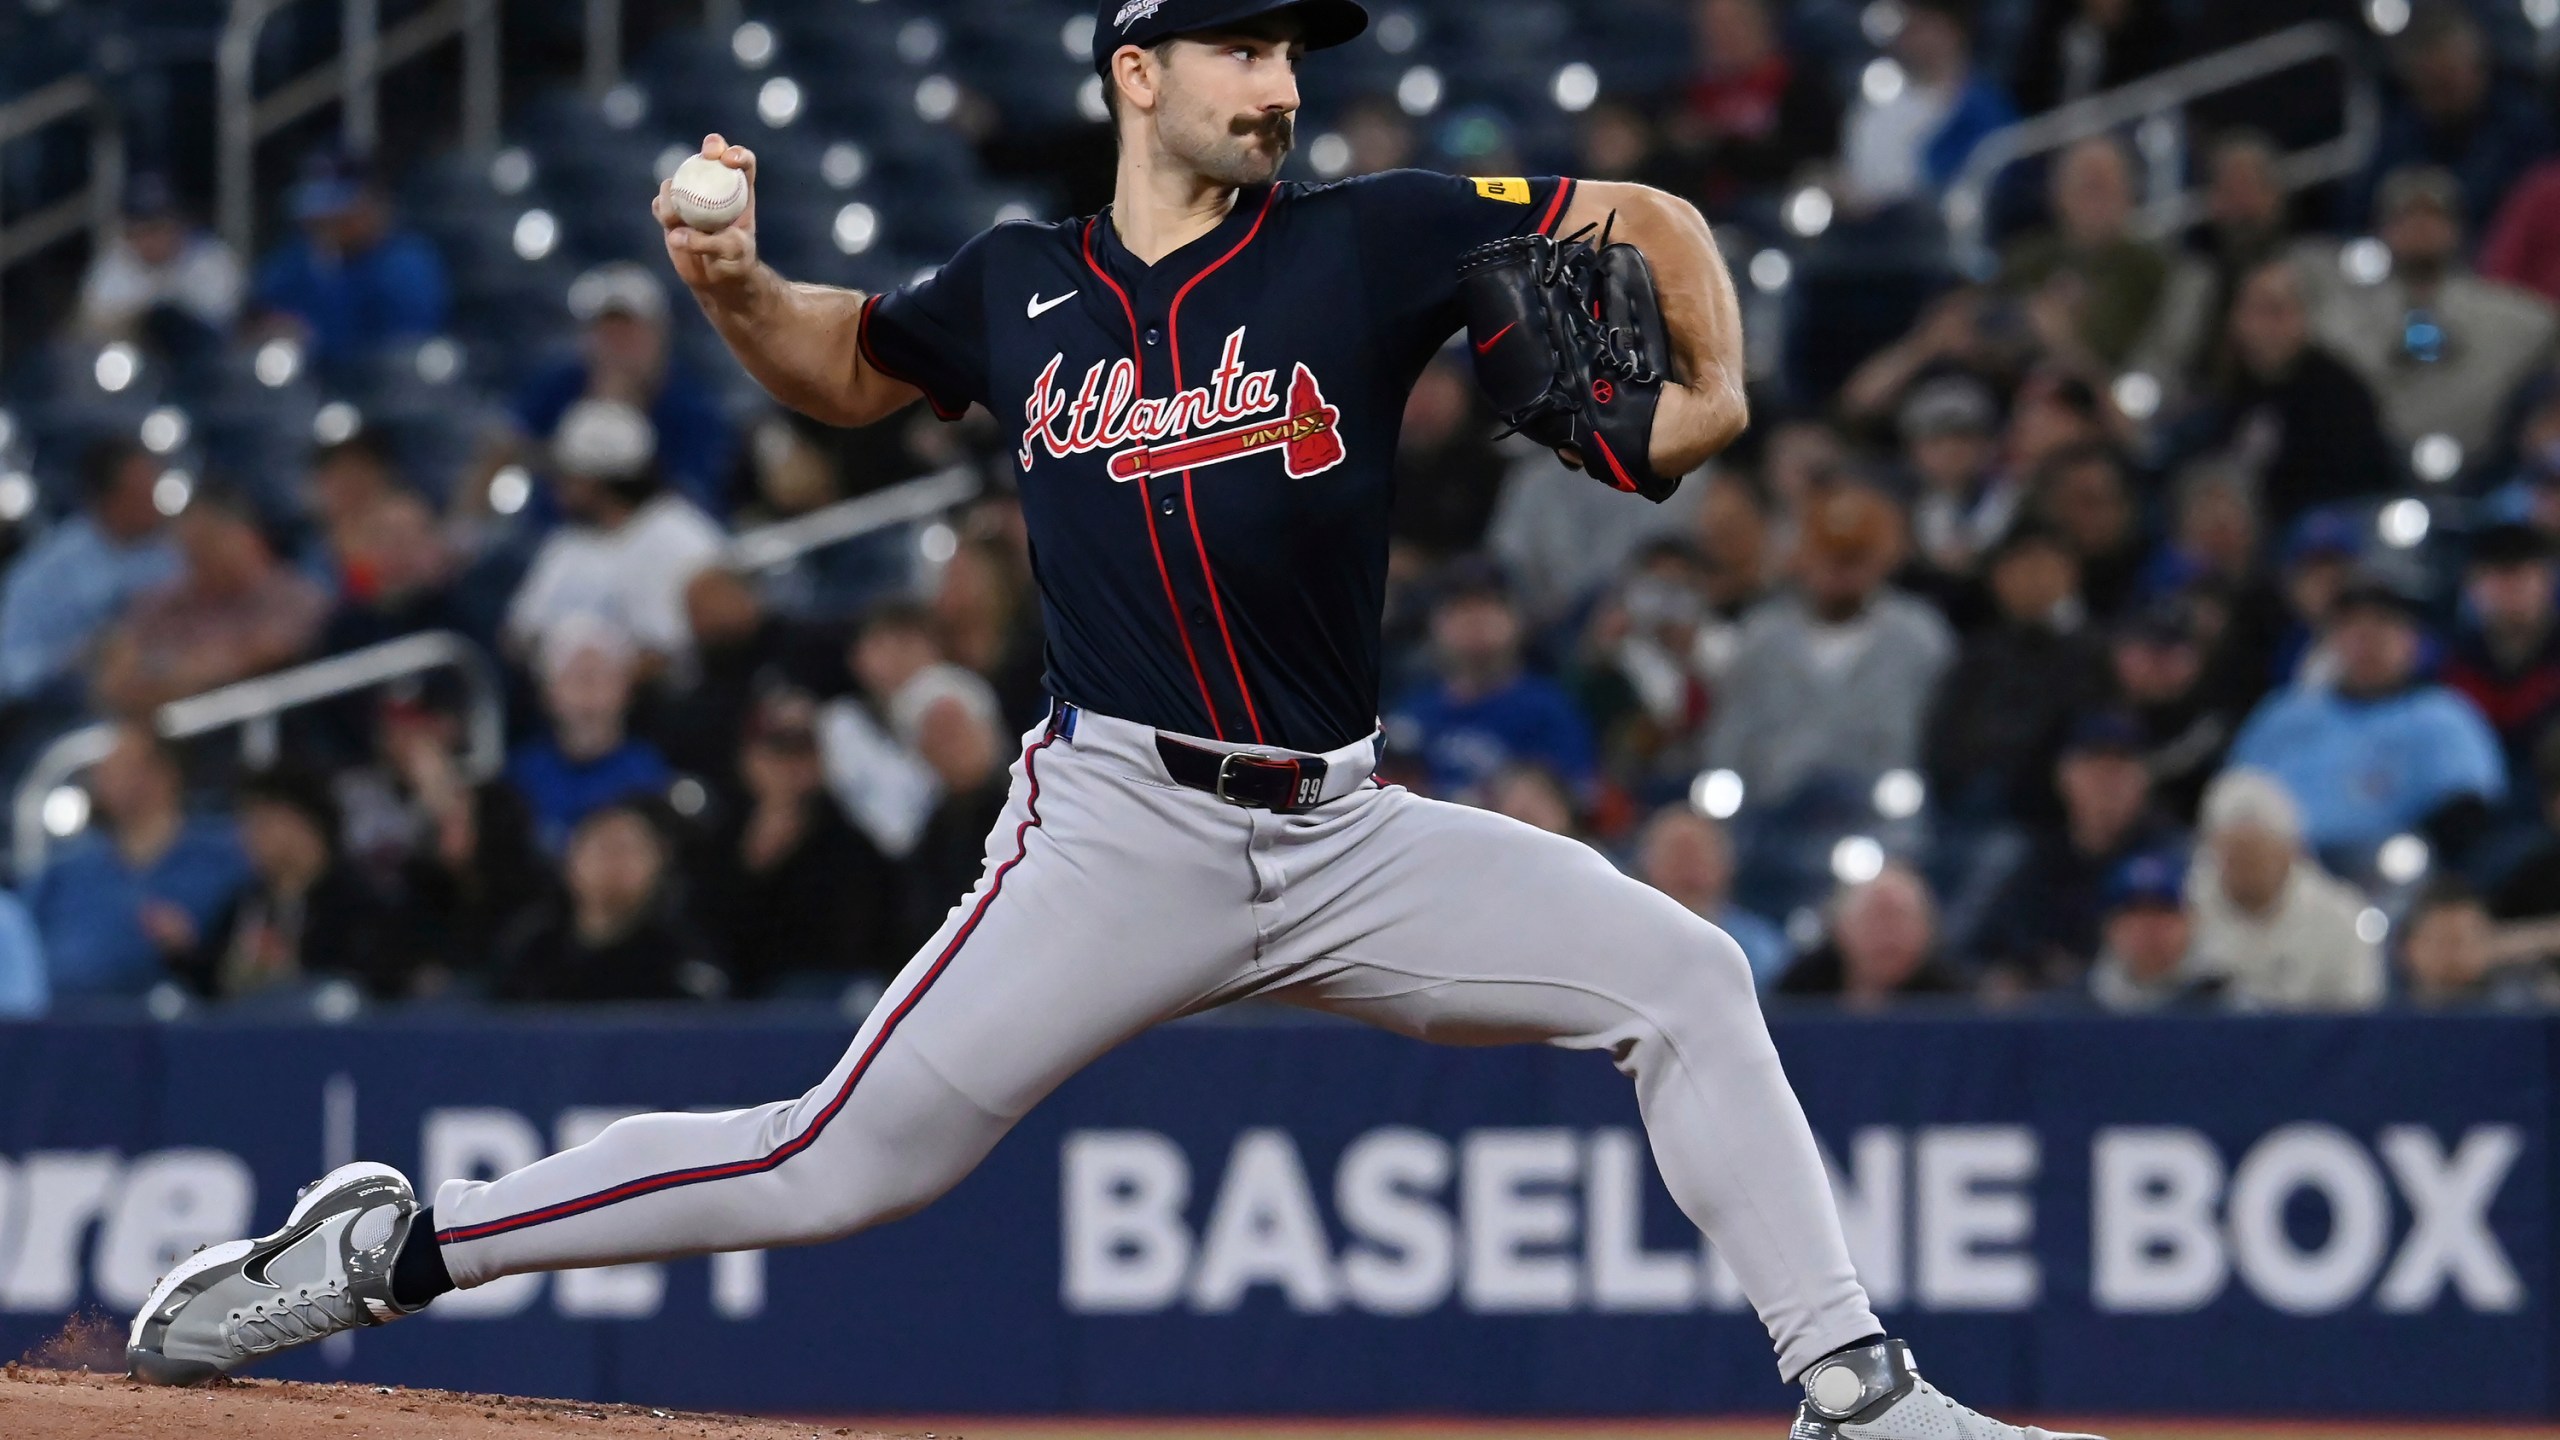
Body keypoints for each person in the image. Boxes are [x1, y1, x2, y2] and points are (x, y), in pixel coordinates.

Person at [130, 9, 2095, 1438]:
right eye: (1238, 45)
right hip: (1114, 836)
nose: (1279, 76)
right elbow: (843, 366)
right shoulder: (1019, 287)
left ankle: (1851, 1390)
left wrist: (1716, 387)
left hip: (1343, 834)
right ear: (1132, 74)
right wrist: (731, 286)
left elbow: (1643, 211)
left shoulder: (1375, 235)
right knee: (834, 1163)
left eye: (1292, 49)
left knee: (1682, 974)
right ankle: (397, 1251)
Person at [2228, 569, 2506, 861]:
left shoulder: (2443, 716)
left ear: (2411, 640)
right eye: (2352, 627)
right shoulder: (2283, 715)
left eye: (2383, 624)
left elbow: (2467, 813)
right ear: (2331, 640)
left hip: (2394, 881)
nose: (2368, 641)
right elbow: (2231, 801)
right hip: (2282, 880)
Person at [1707, 483, 1955, 804]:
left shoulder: (1920, 636)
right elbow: (1730, 736)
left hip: (1880, 813)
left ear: (1883, 559)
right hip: (1774, 810)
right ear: (1803, 557)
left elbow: (1943, 739)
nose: (1840, 571)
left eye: (1854, 558)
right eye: (1828, 556)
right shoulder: (1762, 636)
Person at [2317, 166, 2558, 465]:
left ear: (2458, 228)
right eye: (2406, 216)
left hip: (2484, 467)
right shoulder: (2337, 321)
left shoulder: (2518, 317)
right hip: (2372, 467)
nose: (2421, 227)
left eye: (2433, 215)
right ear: (2383, 229)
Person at [702, 691, 904, 997]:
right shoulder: (719, 835)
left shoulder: (851, 838)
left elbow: (874, 932)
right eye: (780, 751)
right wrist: (754, 866)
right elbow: (713, 938)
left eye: (805, 751)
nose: (794, 766)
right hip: (749, 1001)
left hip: (839, 994)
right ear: (749, 759)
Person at [503, 399, 728, 670]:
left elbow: (681, 652)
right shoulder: (568, 541)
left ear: (600, 481)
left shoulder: (682, 535)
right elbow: (518, 634)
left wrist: (602, 674)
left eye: (569, 475)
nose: (558, 486)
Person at [28, 726, 249, 999]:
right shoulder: (69, 867)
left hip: (175, 1022)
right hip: (59, 1023)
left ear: (163, 774)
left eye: (120, 767)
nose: (102, 776)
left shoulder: (224, 855)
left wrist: (190, 948)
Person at [505, 262, 735, 515]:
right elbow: (510, 446)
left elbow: (691, 495)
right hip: (561, 535)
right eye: (606, 333)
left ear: (658, 334)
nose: (616, 346)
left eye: (627, 333)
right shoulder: (561, 384)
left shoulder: (691, 407)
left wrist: (626, 409)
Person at [1978, 709, 2183, 988]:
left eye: (2120, 769)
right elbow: (1984, 947)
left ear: (2143, 779)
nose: (2107, 784)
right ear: (2065, 776)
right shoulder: (2039, 861)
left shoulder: (2175, 858)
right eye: (2095, 769)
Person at [88, 482, 328, 717]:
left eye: (208, 543)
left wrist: (181, 675)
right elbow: (117, 679)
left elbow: (268, 652)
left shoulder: (290, 595)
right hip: (175, 738)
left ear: (247, 536)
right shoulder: (166, 604)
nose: (199, 560)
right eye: (189, 550)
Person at [2193, 258, 2394, 531]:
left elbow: (2351, 484)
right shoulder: (2222, 385)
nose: (2267, 325)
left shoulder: (2339, 392)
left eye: (2278, 310)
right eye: (2257, 311)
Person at [1924, 523, 2108, 820]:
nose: (2030, 580)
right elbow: (1943, 739)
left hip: (2051, 819)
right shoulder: (1978, 654)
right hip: (1964, 809)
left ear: (2071, 572)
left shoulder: (2097, 654)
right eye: (2016, 568)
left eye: (2041, 566)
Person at [1387, 561, 1598, 802]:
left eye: (1489, 605)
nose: (1475, 619)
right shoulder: (1412, 710)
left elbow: (1580, 799)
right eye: (1459, 607)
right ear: (1435, 623)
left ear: (1517, 619)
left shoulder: (1549, 710)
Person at [193, 766, 407, 1001]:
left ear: (303, 824)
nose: (248, 835)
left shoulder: (359, 907)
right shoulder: (244, 905)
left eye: (262, 822)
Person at [0, 439, 182, 708]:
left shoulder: (180, 551)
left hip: (175, 693)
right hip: (71, 714)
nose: (154, 504)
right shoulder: (43, 574)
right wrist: (73, 660)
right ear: (108, 499)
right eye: (141, 493)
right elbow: (11, 669)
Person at [2184, 768, 2384, 1010]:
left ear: (2290, 853)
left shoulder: (2340, 916)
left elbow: (2359, 1010)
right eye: (2234, 855)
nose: (2246, 867)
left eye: (2257, 854)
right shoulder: (2180, 909)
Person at [488, 800, 724, 1004]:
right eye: (603, 847)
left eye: (630, 848)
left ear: (658, 866)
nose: (615, 861)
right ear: (570, 862)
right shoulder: (533, 948)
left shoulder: (682, 955)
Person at [2352, 3, 2552, 235]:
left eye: (2451, 78)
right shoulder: (2397, 140)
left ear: (2479, 65)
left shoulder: (2524, 128)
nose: (2444, 91)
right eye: (2433, 85)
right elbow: (2356, 219)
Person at [251, 148, 450, 369]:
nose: (325, 222)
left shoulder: (406, 264)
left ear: (370, 204)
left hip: (383, 386)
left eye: (337, 211)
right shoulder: (299, 258)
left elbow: (402, 346)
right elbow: (260, 312)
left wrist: (313, 340)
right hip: (308, 391)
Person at [507, 617, 676, 854]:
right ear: (548, 693)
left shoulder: (648, 770)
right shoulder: (523, 773)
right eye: (577, 677)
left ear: (626, 690)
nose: (589, 693)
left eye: (602, 676)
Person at [1834, 0, 2018, 214]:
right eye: (1909, 26)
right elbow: (1852, 168)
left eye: (1922, 26)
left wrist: (1886, 204)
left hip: (1932, 234)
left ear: (1952, 30)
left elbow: (1981, 188)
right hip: (1858, 231)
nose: (1911, 38)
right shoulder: (1879, 94)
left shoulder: (1985, 109)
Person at [1999, 136, 2169, 368]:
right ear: (2059, 194)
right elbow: (1989, 320)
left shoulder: (2149, 270)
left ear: (2129, 195)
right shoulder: (2029, 256)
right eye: (2088, 187)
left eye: (2106, 187)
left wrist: (2060, 336)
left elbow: (2142, 358)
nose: (2097, 202)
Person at [1658, 0, 1839, 214]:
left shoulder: (1801, 86)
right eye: (1711, 26)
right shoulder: (1685, 97)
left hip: (1780, 211)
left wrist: (1716, 142)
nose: (1722, 36)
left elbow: (1804, 159)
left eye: (1734, 23)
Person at [73, 174, 244, 355]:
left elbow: (222, 324)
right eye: (139, 230)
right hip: (136, 370)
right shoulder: (116, 262)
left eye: (157, 227)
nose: (149, 240)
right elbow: (91, 328)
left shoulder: (212, 258)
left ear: (178, 223)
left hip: (203, 369)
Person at [2441, 523, 2560, 774]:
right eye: (2496, 578)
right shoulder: (2450, 666)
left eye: (2521, 576)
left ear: (2547, 581)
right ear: (2471, 586)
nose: (2510, 591)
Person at [1773, 862, 1966, 1008]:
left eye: (1899, 917)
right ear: (1841, 926)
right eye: (1874, 918)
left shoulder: (1959, 1002)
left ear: (1928, 928)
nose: (1887, 934)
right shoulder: (1798, 992)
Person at [1635, 804, 1789, 986]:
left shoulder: (1762, 947)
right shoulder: (1627, 942)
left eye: (1696, 854)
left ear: (1725, 863)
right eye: (1676, 854)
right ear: (1647, 863)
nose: (1686, 868)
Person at [2084, 850, 2219, 1012]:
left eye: (2163, 911)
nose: (2149, 927)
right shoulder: (2071, 1010)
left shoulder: (2223, 1005)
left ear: (2190, 922)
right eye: (2134, 912)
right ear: (2109, 926)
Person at [2398, 876, 2555, 1007]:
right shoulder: (2383, 1015)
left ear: (2490, 942)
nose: (2453, 955)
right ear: (2410, 948)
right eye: (2441, 941)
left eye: (2463, 941)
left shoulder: (2528, 1009)